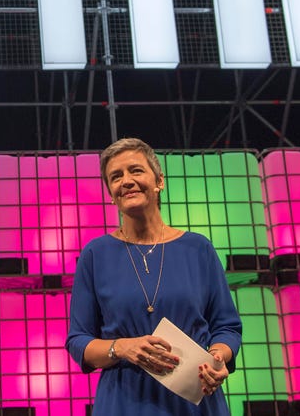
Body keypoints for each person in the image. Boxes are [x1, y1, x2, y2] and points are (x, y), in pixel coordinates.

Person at [66, 137, 242, 415]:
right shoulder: (95, 254)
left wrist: (218, 356)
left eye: (136, 171)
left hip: (196, 399)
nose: (126, 181)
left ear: (159, 181)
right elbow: (78, 340)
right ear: (111, 193)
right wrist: (121, 347)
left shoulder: (198, 248)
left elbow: (227, 326)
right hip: (124, 402)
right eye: (116, 176)